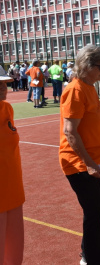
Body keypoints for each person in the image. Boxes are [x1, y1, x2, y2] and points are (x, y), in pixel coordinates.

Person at [59, 45, 100, 265]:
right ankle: (92, 260)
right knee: (94, 214)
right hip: (81, 164)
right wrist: (90, 163)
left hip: (96, 161)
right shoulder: (75, 90)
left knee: (96, 212)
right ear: (86, 65)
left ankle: (90, 254)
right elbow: (70, 132)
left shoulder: (89, 86)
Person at [0, 73, 25, 265]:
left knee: (15, 254)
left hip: (14, 191)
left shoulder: (7, 108)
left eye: (4, 83)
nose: (3, 87)